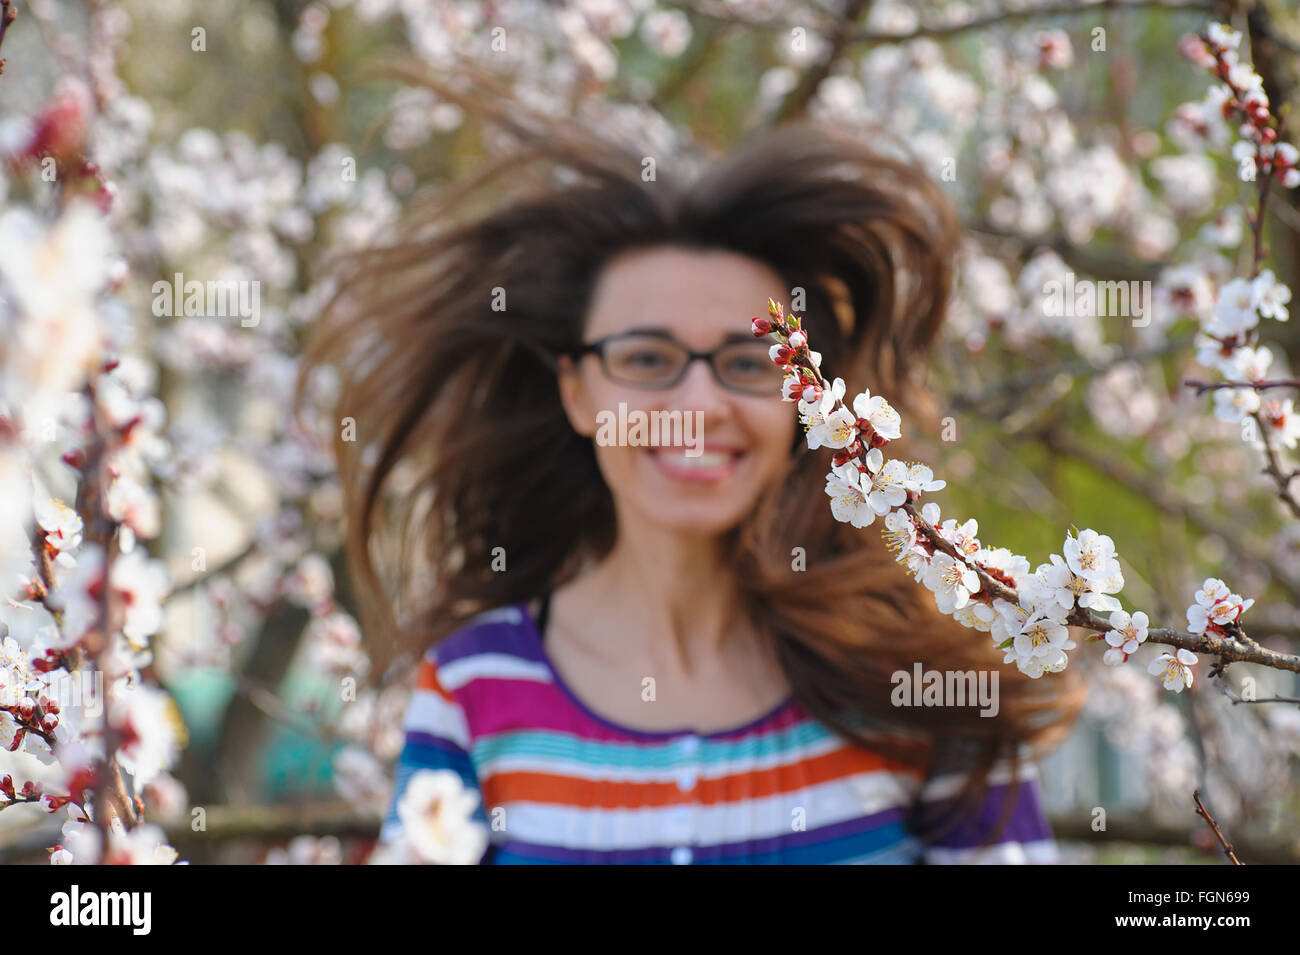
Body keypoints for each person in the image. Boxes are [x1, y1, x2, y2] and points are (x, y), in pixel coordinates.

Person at [300, 64, 1085, 864]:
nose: (699, 403)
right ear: (576, 392)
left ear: (803, 403)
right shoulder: (474, 690)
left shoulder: (921, 681)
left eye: (749, 362)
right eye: (647, 358)